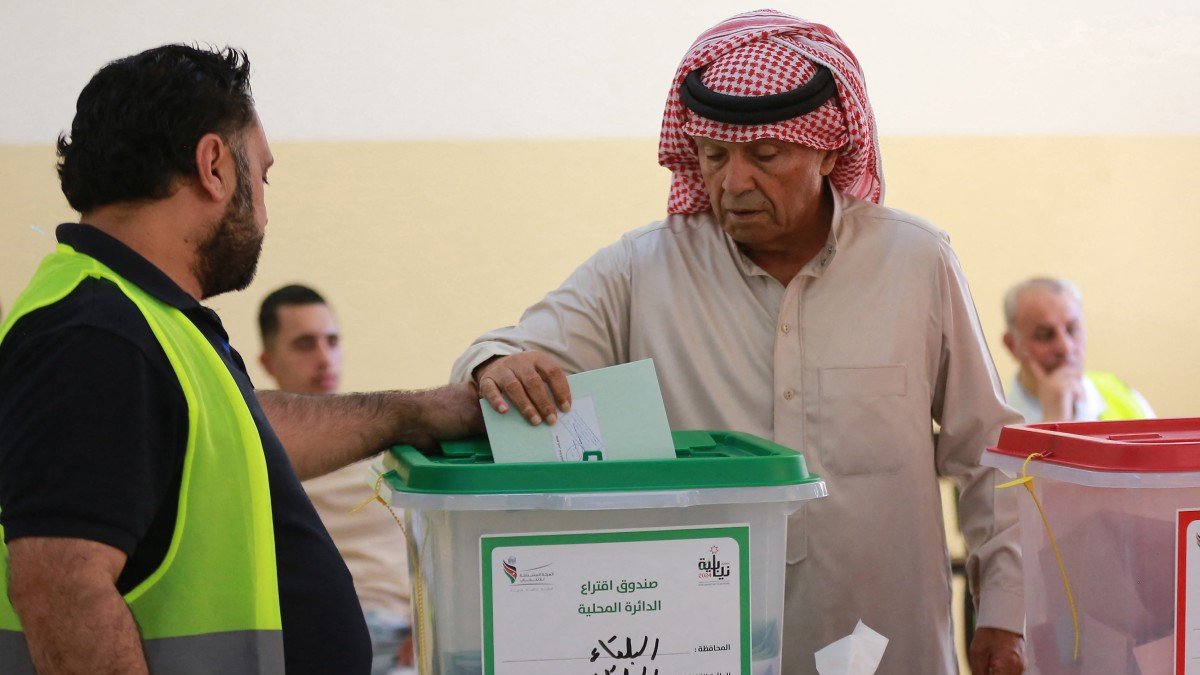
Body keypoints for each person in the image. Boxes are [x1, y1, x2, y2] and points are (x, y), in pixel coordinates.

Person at [452, 10, 1024, 674]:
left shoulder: (915, 261)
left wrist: (1005, 611)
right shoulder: (642, 270)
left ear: (828, 150)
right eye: (715, 156)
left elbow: (988, 450)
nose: (734, 182)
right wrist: (497, 364)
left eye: (765, 156)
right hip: (697, 642)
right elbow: (504, 353)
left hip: (885, 639)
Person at [0, 45, 480, 674]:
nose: (264, 210)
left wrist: (415, 413)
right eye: (263, 176)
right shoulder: (96, 334)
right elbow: (60, 590)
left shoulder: (143, 320)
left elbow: (246, 438)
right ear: (214, 166)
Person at [257, 284, 414, 674]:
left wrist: (432, 626)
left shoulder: (387, 445)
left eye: (332, 341)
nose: (324, 359)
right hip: (316, 642)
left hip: (405, 642)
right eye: (305, 344)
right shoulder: (256, 457)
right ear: (268, 362)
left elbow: (437, 544)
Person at [1002, 276, 1154, 423]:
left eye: (1073, 330)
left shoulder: (1124, 397)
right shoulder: (997, 424)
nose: (1065, 348)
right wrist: (1054, 420)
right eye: (1044, 335)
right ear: (1012, 345)